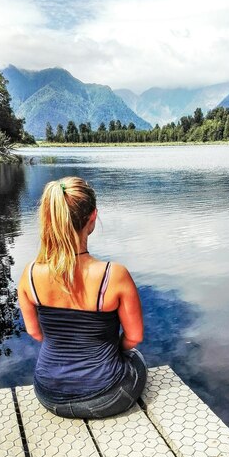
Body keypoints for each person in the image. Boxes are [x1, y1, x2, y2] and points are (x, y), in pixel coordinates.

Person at [18, 176, 146, 419]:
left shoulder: (30, 273)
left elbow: (35, 333)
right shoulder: (113, 275)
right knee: (135, 357)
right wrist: (111, 352)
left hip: (47, 395)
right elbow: (134, 337)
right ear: (93, 217)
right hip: (105, 397)